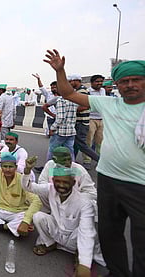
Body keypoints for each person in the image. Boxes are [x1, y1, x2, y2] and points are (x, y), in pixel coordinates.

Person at [44, 50, 145, 277]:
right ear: (117, 84)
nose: (129, 85)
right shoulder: (109, 104)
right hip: (108, 180)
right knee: (110, 235)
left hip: (140, 185)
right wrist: (60, 71)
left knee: (141, 242)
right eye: (124, 81)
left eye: (136, 80)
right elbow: (68, 93)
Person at [22, 157, 105, 277]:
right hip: (58, 234)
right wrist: (27, 171)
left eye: (65, 182)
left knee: (89, 231)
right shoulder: (50, 189)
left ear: (73, 182)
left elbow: (86, 232)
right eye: (58, 181)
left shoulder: (84, 201)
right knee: (38, 216)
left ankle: (79, 256)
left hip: (74, 240)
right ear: (53, 180)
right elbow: (28, 187)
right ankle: (51, 244)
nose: (61, 185)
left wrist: (84, 264)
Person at [38, 147, 97, 214]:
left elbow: (92, 193)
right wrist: (54, 191)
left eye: (69, 159)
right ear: (55, 160)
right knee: (40, 193)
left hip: (74, 204)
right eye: (64, 160)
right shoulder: (50, 165)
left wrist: (72, 196)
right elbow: (41, 183)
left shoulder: (79, 170)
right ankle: (51, 213)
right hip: (54, 200)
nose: (68, 163)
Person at [67, 74, 99, 165]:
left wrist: (71, 110)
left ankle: (100, 160)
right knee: (74, 144)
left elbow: (85, 106)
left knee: (82, 145)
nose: (70, 83)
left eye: (70, 81)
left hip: (81, 122)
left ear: (76, 81)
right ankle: (72, 162)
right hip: (79, 122)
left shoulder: (81, 91)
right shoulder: (78, 90)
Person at [83, 74, 106, 169]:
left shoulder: (103, 91)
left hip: (101, 119)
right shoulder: (88, 92)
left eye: (101, 81)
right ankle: (87, 160)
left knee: (100, 142)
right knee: (88, 141)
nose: (99, 83)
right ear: (92, 83)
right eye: (97, 81)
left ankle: (100, 159)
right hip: (91, 119)